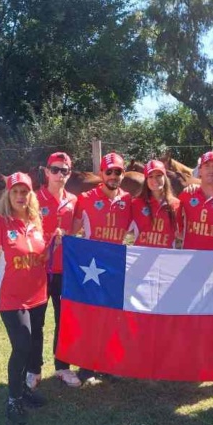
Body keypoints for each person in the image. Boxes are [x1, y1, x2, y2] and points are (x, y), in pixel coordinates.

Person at [0, 172, 49, 425]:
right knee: (21, 347)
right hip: (11, 298)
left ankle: (24, 391)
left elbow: (42, 256)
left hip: (38, 297)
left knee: (32, 346)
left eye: (25, 192)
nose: (20, 196)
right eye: (15, 192)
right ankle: (13, 399)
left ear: (31, 195)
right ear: (8, 195)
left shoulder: (37, 223)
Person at [71, 151, 133, 384]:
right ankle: (86, 365)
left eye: (118, 171)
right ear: (101, 173)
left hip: (115, 266)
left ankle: (107, 363)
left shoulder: (128, 200)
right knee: (90, 317)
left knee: (112, 317)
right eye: (110, 171)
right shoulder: (86, 198)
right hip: (91, 267)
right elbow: (73, 230)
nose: (114, 175)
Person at [35, 152, 82, 388]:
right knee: (37, 322)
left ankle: (62, 367)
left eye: (64, 170)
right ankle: (33, 369)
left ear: (69, 174)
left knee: (64, 321)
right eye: (55, 169)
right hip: (39, 271)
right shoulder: (34, 198)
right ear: (46, 171)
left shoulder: (74, 200)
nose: (59, 174)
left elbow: (76, 229)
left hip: (65, 272)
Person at [129, 159, 182, 248]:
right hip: (141, 259)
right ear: (146, 179)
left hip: (164, 258)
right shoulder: (135, 203)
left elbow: (182, 234)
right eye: (150, 176)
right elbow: (122, 229)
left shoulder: (176, 204)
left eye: (159, 175)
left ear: (165, 177)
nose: (155, 180)